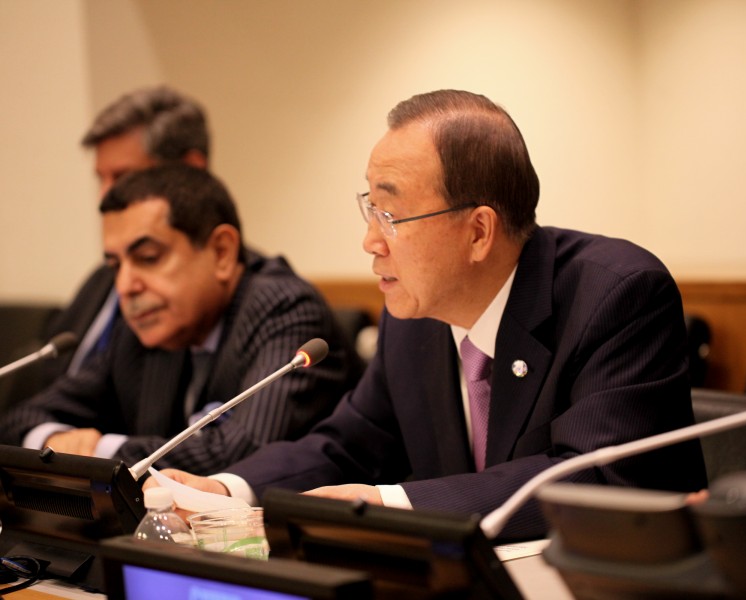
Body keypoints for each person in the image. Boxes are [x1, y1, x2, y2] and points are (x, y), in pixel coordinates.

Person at [147, 90, 707, 540]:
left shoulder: (616, 294)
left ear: (479, 231)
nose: (370, 242)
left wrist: (389, 504)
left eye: (391, 215)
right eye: (370, 209)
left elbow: (595, 477)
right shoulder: (411, 319)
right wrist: (229, 489)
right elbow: (348, 445)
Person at [0, 165, 363, 475]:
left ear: (222, 252)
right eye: (115, 265)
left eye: (148, 257)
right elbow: (21, 417)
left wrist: (97, 451)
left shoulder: (284, 308)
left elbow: (238, 452)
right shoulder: (145, 327)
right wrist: (52, 439)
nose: (124, 286)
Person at [45, 85, 211, 382]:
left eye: (124, 177)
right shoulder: (100, 280)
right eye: (101, 179)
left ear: (190, 170)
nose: (104, 198)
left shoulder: (198, 301)